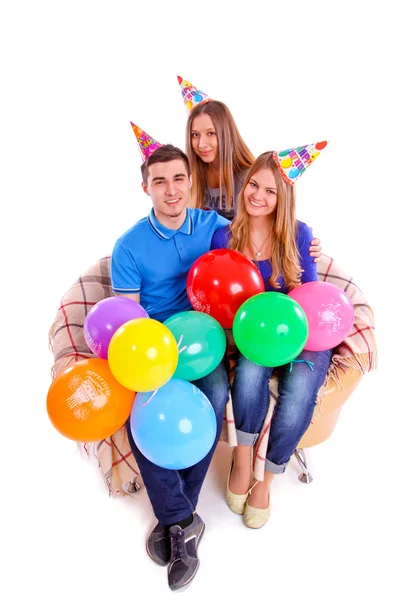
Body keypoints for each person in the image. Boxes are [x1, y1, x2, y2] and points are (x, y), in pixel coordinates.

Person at [110, 143, 231, 592]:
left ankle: (175, 517)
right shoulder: (129, 246)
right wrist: (153, 357)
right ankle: (182, 519)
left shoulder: (212, 224)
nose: (171, 189)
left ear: (190, 182)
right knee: (143, 414)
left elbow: (263, 230)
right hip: (156, 344)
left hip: (204, 343)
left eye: (179, 178)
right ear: (146, 187)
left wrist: (304, 235)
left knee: (216, 395)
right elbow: (129, 318)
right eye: (159, 181)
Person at [211, 144, 333, 529]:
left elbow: (309, 297)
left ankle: (267, 479)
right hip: (254, 337)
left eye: (270, 191)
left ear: (283, 200)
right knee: (248, 374)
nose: (258, 197)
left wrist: (298, 279)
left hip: (300, 333)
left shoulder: (298, 235)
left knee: (298, 397)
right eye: (253, 186)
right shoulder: (224, 237)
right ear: (244, 184)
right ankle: (244, 457)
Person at [177, 75, 322, 258]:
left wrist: (303, 236)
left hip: (254, 257)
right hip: (209, 259)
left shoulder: (250, 178)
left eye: (211, 133)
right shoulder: (190, 179)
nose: (201, 144)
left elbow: (278, 215)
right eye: (195, 135)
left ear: (226, 134)